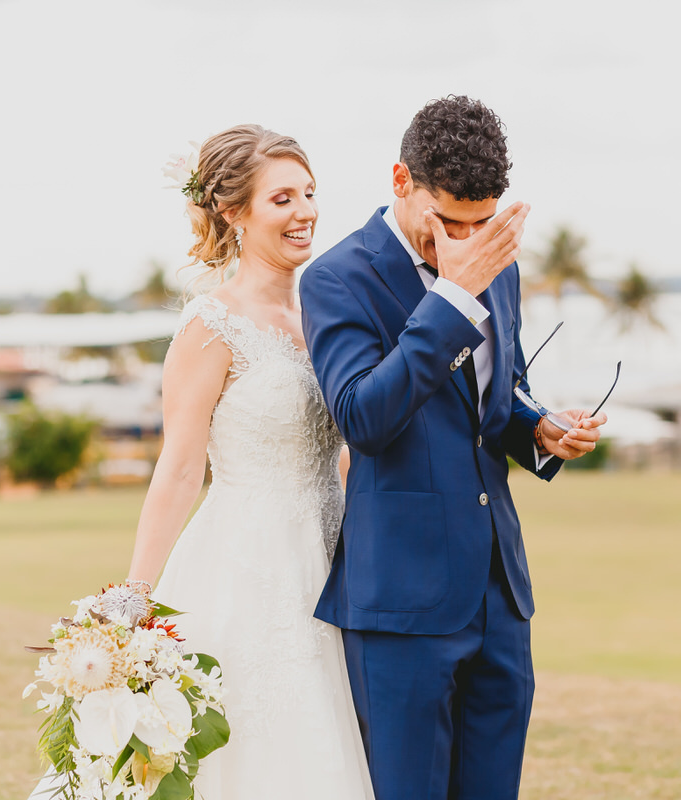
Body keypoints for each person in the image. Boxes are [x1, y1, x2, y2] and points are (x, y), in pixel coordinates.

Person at [299, 96, 607, 800]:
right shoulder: (336, 278)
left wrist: (539, 427)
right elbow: (363, 419)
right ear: (402, 181)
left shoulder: (499, 265)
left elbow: (497, 398)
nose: (466, 244)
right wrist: (452, 298)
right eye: (448, 223)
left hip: (499, 594)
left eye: (482, 224)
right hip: (402, 604)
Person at [116, 125, 373, 798]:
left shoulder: (328, 312)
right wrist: (134, 602)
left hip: (337, 558)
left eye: (310, 193)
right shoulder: (211, 326)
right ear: (233, 211)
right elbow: (178, 468)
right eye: (282, 198)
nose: (305, 212)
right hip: (248, 567)